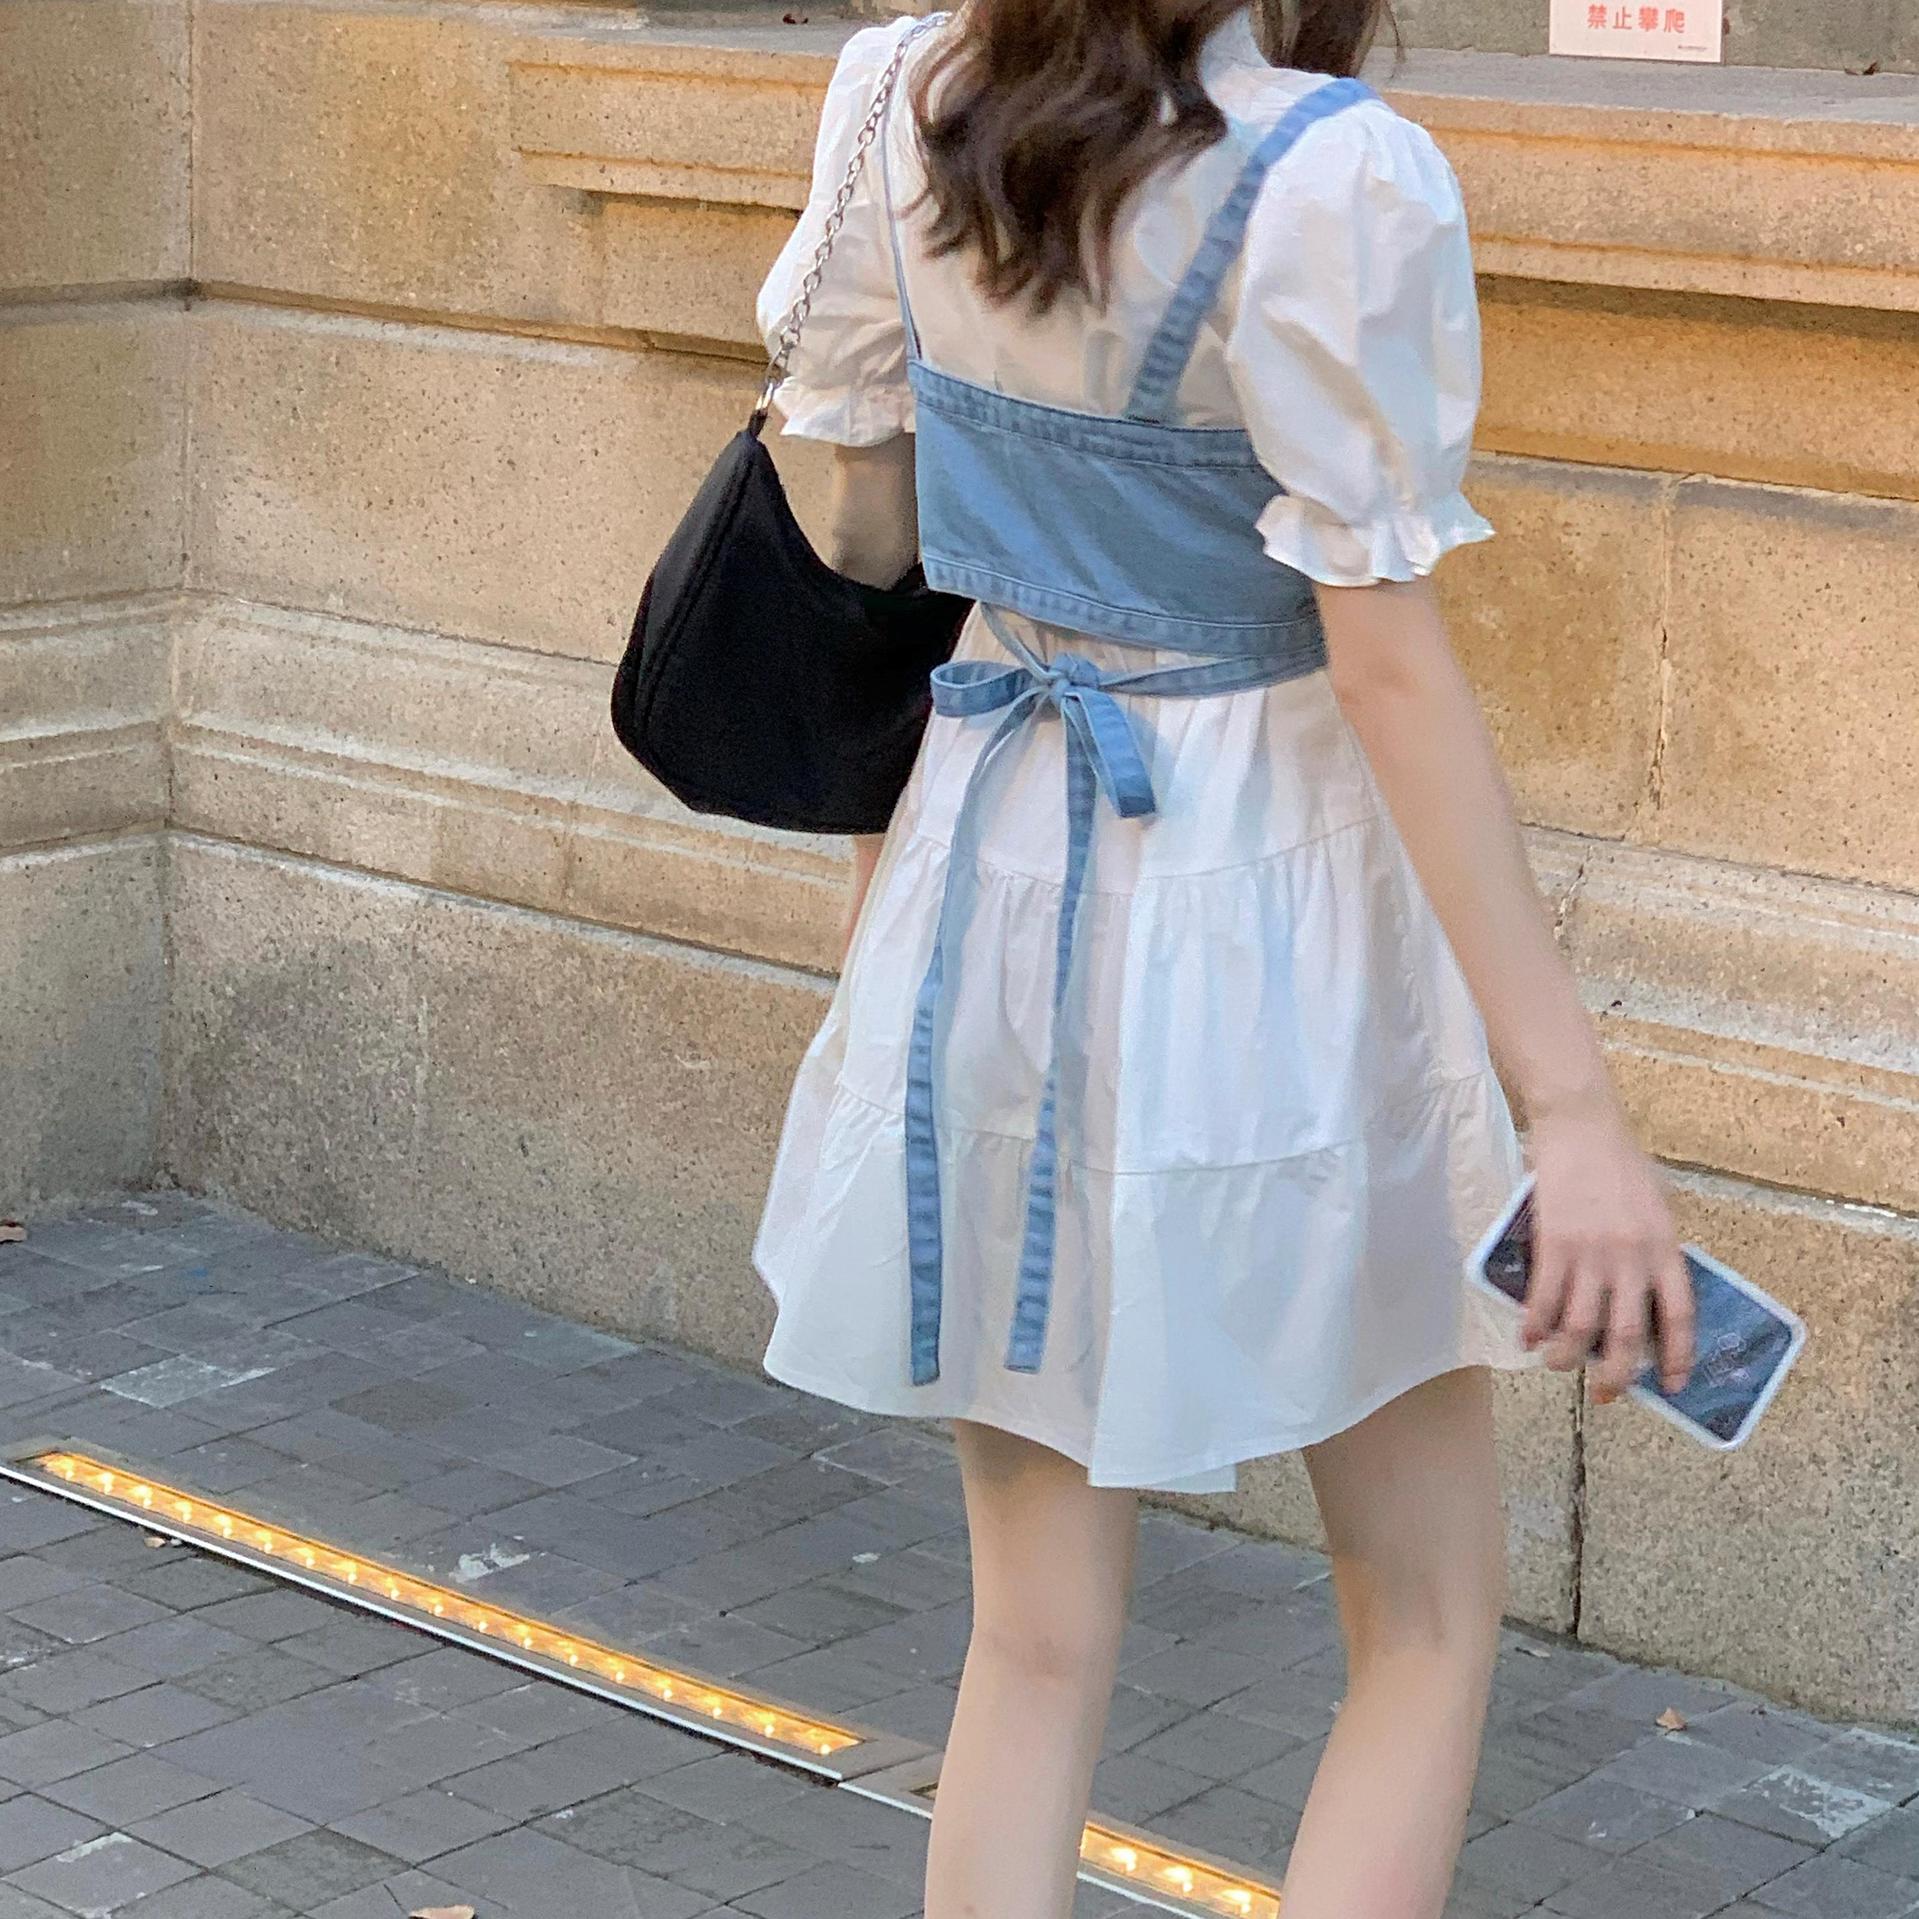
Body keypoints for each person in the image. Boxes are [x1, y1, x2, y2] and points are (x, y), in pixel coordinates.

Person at [751, 2, 1694, 1914]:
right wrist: (1573, 1115)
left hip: (987, 855)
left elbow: (856, 515)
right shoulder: (1325, 171)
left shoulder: (900, 94)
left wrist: (893, 901)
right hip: (1270, 901)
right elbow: (1386, 660)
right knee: (1424, 1613)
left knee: (1032, 1640)